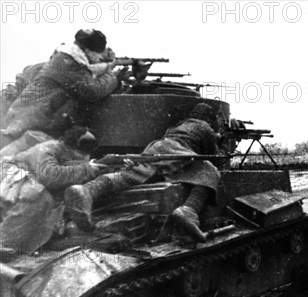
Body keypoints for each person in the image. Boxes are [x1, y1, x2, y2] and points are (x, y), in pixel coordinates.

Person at [64, 103, 222, 242]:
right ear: (208, 118)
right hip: (178, 152)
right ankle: (189, 211)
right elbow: (215, 157)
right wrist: (219, 141)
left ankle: (87, 190)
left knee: (132, 174)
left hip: (157, 148)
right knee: (209, 171)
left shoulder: (179, 126)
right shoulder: (205, 127)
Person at [1, 29, 122, 152]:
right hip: (28, 126)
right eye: (99, 54)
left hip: (31, 123)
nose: (100, 58)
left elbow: (87, 77)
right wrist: (111, 75)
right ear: (87, 51)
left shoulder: (67, 60)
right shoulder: (68, 63)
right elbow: (92, 91)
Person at [0, 126, 104, 260]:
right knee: (39, 197)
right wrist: (86, 169)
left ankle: (22, 246)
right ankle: (5, 243)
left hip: (19, 185)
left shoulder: (64, 152)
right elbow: (50, 176)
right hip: (10, 180)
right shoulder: (47, 148)